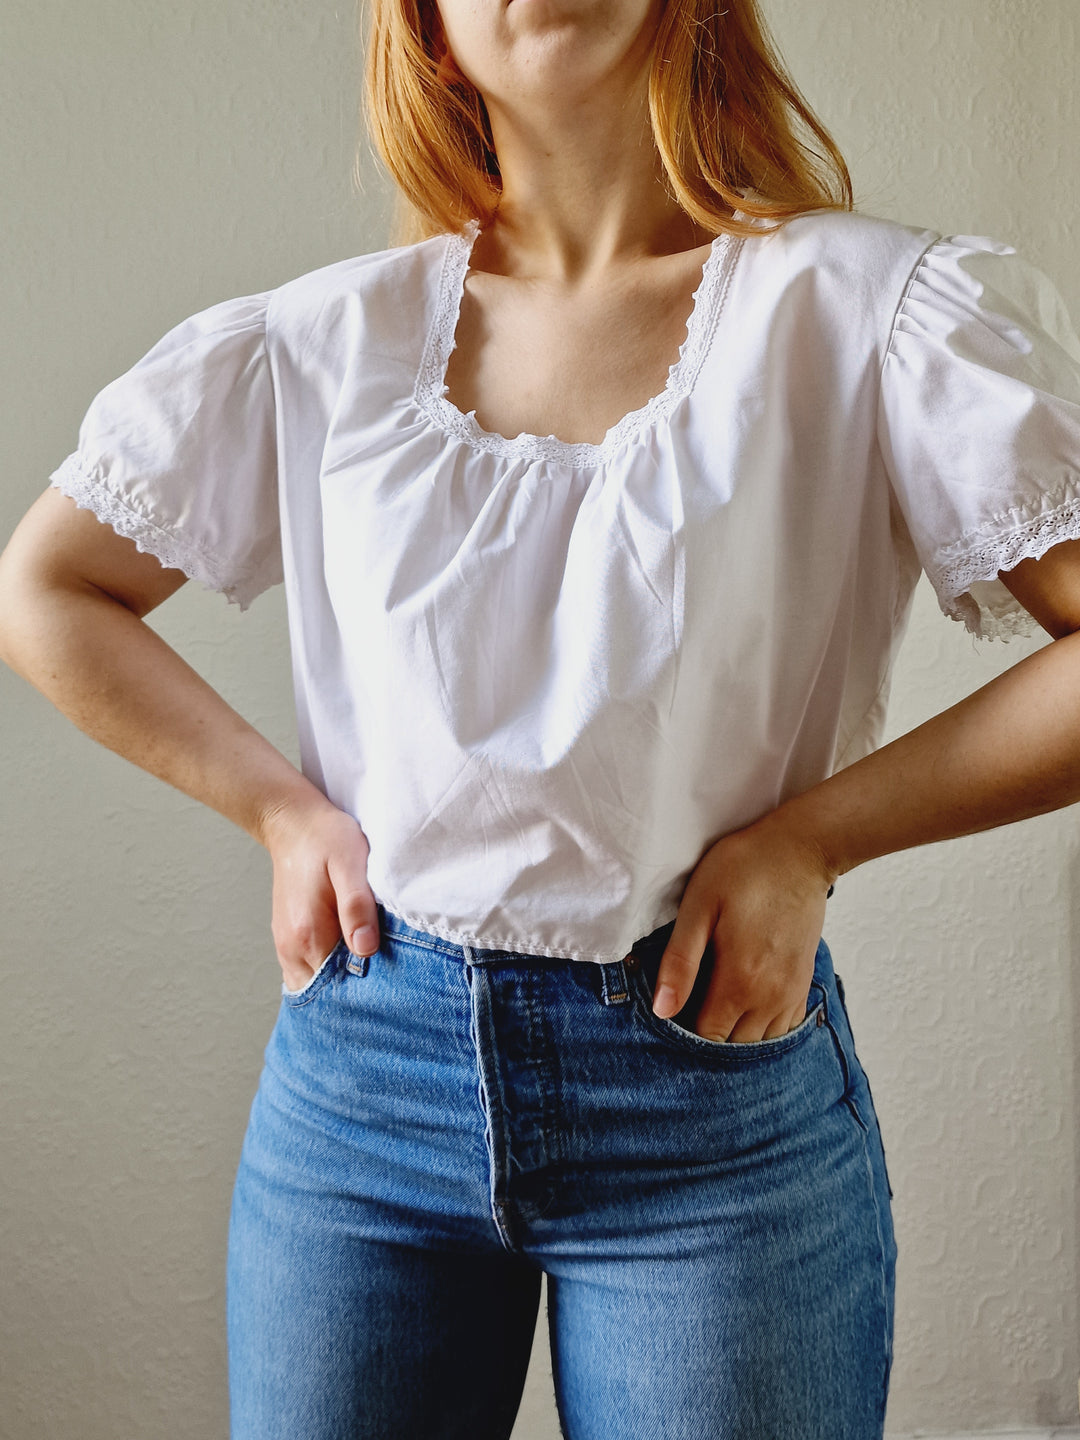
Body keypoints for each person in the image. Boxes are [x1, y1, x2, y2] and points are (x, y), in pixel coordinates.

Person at [2, 0, 1079, 1433]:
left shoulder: (861, 312)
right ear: (427, 29)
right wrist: (278, 807)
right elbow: (51, 589)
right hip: (360, 1092)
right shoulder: (323, 342)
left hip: (710, 1100)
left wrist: (813, 842)